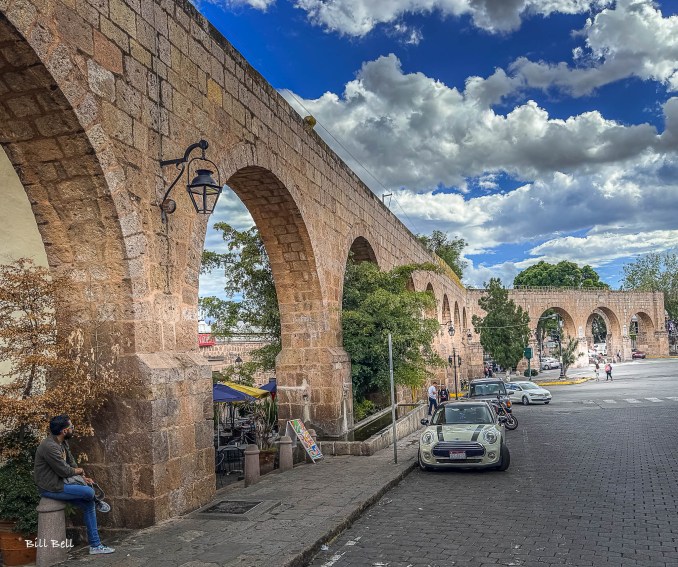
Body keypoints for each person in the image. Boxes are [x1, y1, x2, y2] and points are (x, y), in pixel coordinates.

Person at [33, 415, 115, 555]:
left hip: (62, 483)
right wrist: (80, 470)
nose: (73, 429)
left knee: (88, 503)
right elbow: (64, 470)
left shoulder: (62, 442)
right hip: (51, 487)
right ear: (64, 431)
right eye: (71, 427)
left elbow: (71, 463)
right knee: (89, 493)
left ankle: (95, 545)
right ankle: (96, 500)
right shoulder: (49, 446)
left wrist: (83, 478)